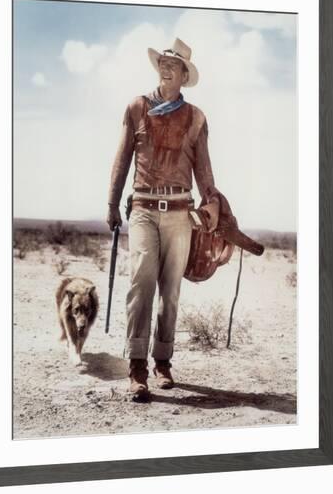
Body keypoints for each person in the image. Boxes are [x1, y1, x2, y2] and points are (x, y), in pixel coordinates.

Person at [107, 37, 220, 401]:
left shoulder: (195, 117)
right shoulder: (136, 107)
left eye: (175, 64)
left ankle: (163, 361)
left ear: (185, 75)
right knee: (141, 285)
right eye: (164, 61)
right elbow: (122, 157)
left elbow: (203, 169)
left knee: (170, 291)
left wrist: (213, 203)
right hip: (142, 209)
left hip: (180, 213)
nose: (167, 66)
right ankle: (137, 365)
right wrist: (111, 203)